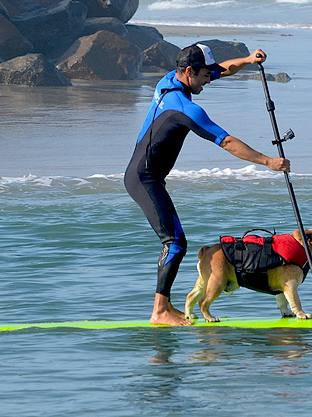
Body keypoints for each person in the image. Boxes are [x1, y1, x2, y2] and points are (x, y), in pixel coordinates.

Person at [124, 43, 290, 325]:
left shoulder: (169, 80)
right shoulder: (187, 110)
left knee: (177, 242)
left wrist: (248, 60)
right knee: (175, 243)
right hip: (144, 178)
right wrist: (267, 161)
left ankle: (165, 307)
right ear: (189, 71)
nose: (208, 79)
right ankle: (159, 312)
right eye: (203, 75)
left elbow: (223, 69)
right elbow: (226, 142)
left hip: (147, 176)